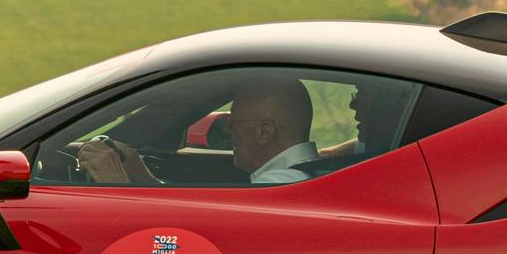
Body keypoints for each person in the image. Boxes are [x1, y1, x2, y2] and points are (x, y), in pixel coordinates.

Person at [74, 75, 322, 186]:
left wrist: (115, 181)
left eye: (233, 122)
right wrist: (144, 179)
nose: (228, 129)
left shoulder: (277, 187)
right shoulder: (296, 178)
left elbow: (185, 242)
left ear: (264, 132)